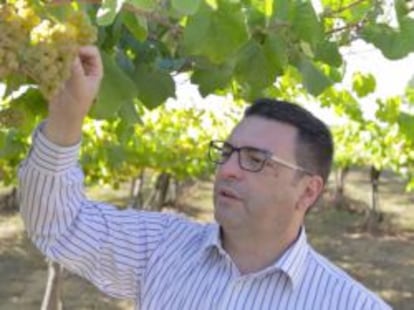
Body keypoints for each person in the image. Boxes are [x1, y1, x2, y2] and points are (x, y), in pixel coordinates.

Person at [19, 46, 391, 310]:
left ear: (307, 191)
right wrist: (67, 117)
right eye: (227, 153)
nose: (227, 169)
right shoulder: (159, 247)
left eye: (255, 159)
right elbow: (60, 225)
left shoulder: (350, 304)